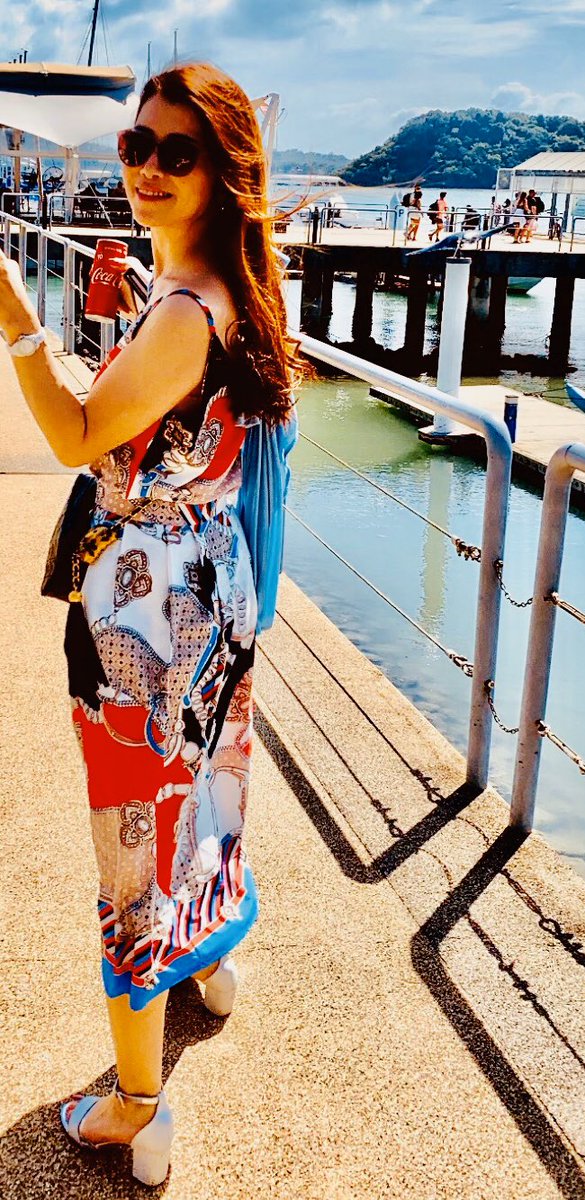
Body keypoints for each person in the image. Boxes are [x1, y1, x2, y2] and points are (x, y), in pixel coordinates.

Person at [0, 62, 301, 1187]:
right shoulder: (222, 282)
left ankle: (136, 1105)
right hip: (208, 588)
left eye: (179, 153)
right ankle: (207, 960)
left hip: (148, 609)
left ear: (224, 170)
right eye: (137, 146)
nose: (148, 169)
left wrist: (18, 324)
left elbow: (79, 437)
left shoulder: (184, 309)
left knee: (134, 839)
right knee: (203, 795)